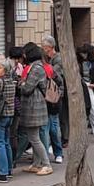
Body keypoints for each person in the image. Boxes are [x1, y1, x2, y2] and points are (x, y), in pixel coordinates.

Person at [17, 43, 54, 175]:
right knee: (34, 136)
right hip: (35, 105)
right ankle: (37, 164)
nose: (23, 55)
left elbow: (27, 88)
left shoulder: (36, 68)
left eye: (25, 52)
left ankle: (46, 164)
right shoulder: (36, 66)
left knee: (34, 137)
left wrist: (21, 84)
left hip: (35, 106)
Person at [40, 36, 65, 164]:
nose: (44, 50)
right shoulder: (47, 59)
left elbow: (54, 75)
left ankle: (58, 152)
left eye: (45, 48)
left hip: (54, 97)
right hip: (47, 96)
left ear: (50, 47)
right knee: (47, 126)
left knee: (54, 126)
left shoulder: (57, 59)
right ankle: (48, 151)